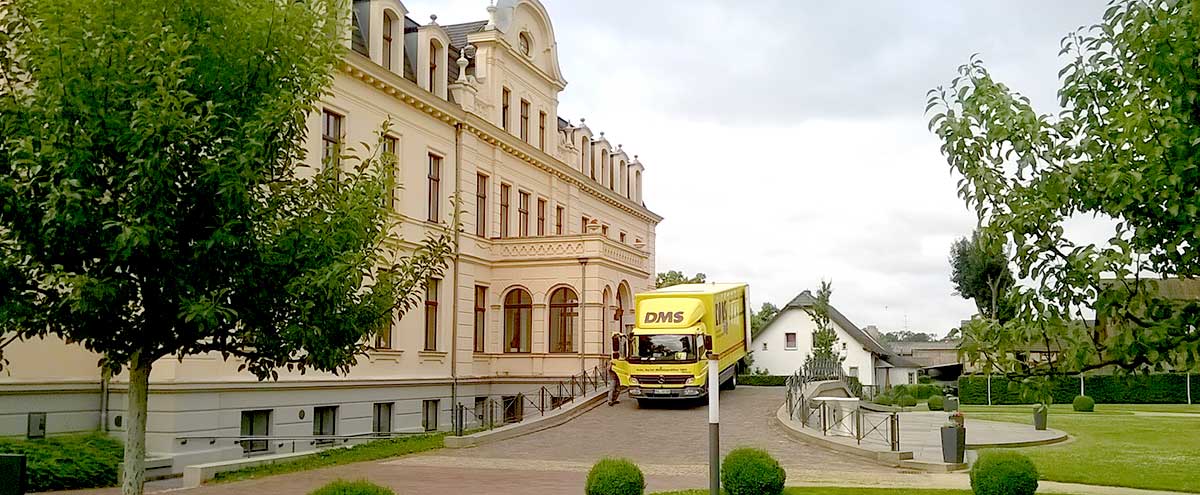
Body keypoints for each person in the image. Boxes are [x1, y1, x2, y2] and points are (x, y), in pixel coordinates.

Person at [608, 333, 625, 406]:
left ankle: (615, 399)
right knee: (612, 388)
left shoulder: (618, 361)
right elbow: (609, 369)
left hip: (618, 377)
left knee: (618, 389)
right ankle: (610, 400)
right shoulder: (612, 362)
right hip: (613, 378)